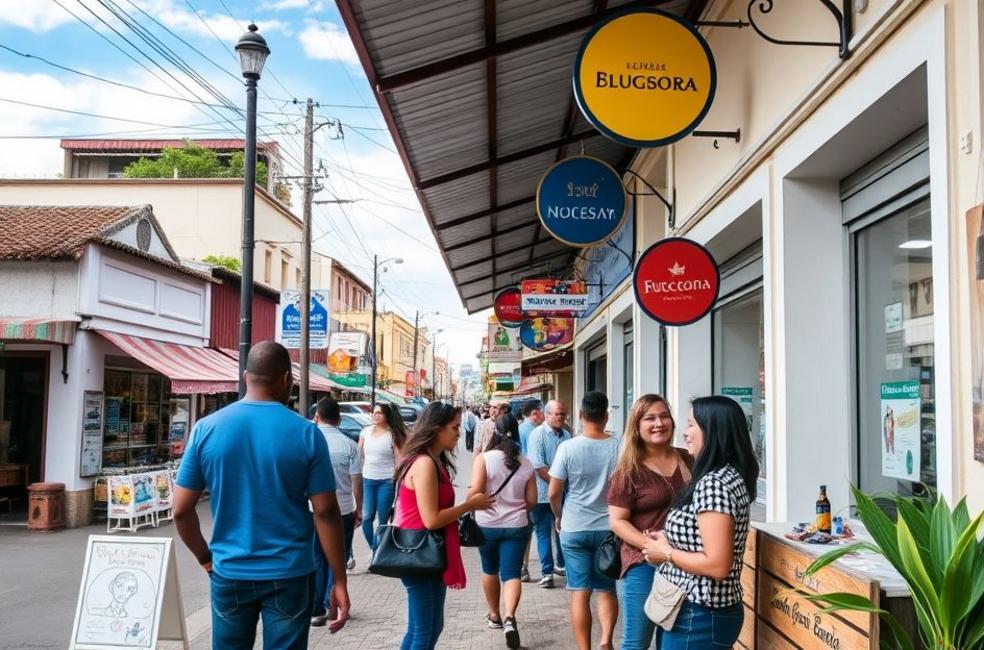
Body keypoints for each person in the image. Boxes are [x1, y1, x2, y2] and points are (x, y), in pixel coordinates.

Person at [173, 341, 350, 649]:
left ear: (245, 377)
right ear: (286, 380)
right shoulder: (308, 433)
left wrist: (205, 558)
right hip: (291, 573)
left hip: (229, 571)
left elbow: (180, 511)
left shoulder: (206, 429)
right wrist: (338, 579)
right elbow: (325, 512)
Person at [644, 395, 759, 650]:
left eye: (691, 425)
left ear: (713, 431)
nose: (685, 433)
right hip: (698, 612)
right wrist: (669, 539)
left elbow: (717, 564)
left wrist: (666, 553)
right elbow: (705, 540)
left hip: (699, 613)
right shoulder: (723, 476)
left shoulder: (714, 483)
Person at [393, 402, 495, 649]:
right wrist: (469, 506)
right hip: (420, 554)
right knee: (424, 633)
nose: (460, 433)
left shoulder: (432, 460)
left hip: (427, 553)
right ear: (436, 428)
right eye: (455, 427)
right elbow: (431, 519)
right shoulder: (425, 463)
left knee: (424, 629)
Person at [607, 394, 693, 649]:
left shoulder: (687, 458)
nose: (659, 423)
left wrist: (671, 552)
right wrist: (652, 547)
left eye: (664, 416)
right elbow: (617, 521)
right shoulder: (628, 469)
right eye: (650, 418)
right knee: (637, 643)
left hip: (684, 564)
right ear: (637, 425)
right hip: (642, 565)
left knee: (671, 642)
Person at [548, 391, 620, 650]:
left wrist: (558, 516)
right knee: (606, 588)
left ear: (580, 416)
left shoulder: (568, 447)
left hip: (574, 526)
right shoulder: (619, 446)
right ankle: (606, 640)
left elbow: (554, 492)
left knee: (579, 591)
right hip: (608, 528)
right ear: (606, 416)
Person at [468, 431, 536, 649]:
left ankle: (494, 615)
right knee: (512, 574)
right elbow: (532, 501)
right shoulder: (526, 463)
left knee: (489, 569)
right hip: (516, 526)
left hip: (487, 525)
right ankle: (510, 617)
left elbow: (477, 491)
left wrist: (469, 497)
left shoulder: (484, 459)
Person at [311, 397, 363, 627]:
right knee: (338, 557)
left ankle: (316, 609)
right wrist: (359, 508)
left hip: (311, 509)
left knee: (316, 558)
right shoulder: (349, 445)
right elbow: (356, 481)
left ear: (317, 417)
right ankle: (332, 604)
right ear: (339, 419)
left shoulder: (308, 440)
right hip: (343, 509)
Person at [526, 399, 569, 587]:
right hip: (542, 495)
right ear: (547, 414)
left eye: (562, 414)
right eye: (556, 414)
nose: (560, 417)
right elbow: (539, 467)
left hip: (564, 493)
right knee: (543, 532)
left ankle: (561, 564)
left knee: (562, 529)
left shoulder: (567, 435)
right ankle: (546, 572)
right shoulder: (537, 435)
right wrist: (556, 484)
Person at [359, 402, 407, 555]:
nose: (375, 415)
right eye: (374, 412)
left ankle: (380, 552)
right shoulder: (365, 432)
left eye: (379, 412)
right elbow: (359, 456)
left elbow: (400, 460)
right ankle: (375, 549)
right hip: (368, 480)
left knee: (382, 520)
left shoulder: (393, 434)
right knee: (366, 518)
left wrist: (399, 482)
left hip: (386, 482)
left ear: (387, 416)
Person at [517, 400, 544, 582]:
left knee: (527, 528)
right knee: (530, 528)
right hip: (532, 485)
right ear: (535, 413)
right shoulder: (533, 431)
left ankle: (522, 566)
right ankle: (523, 566)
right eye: (542, 412)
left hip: (524, 484)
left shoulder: (521, 429)